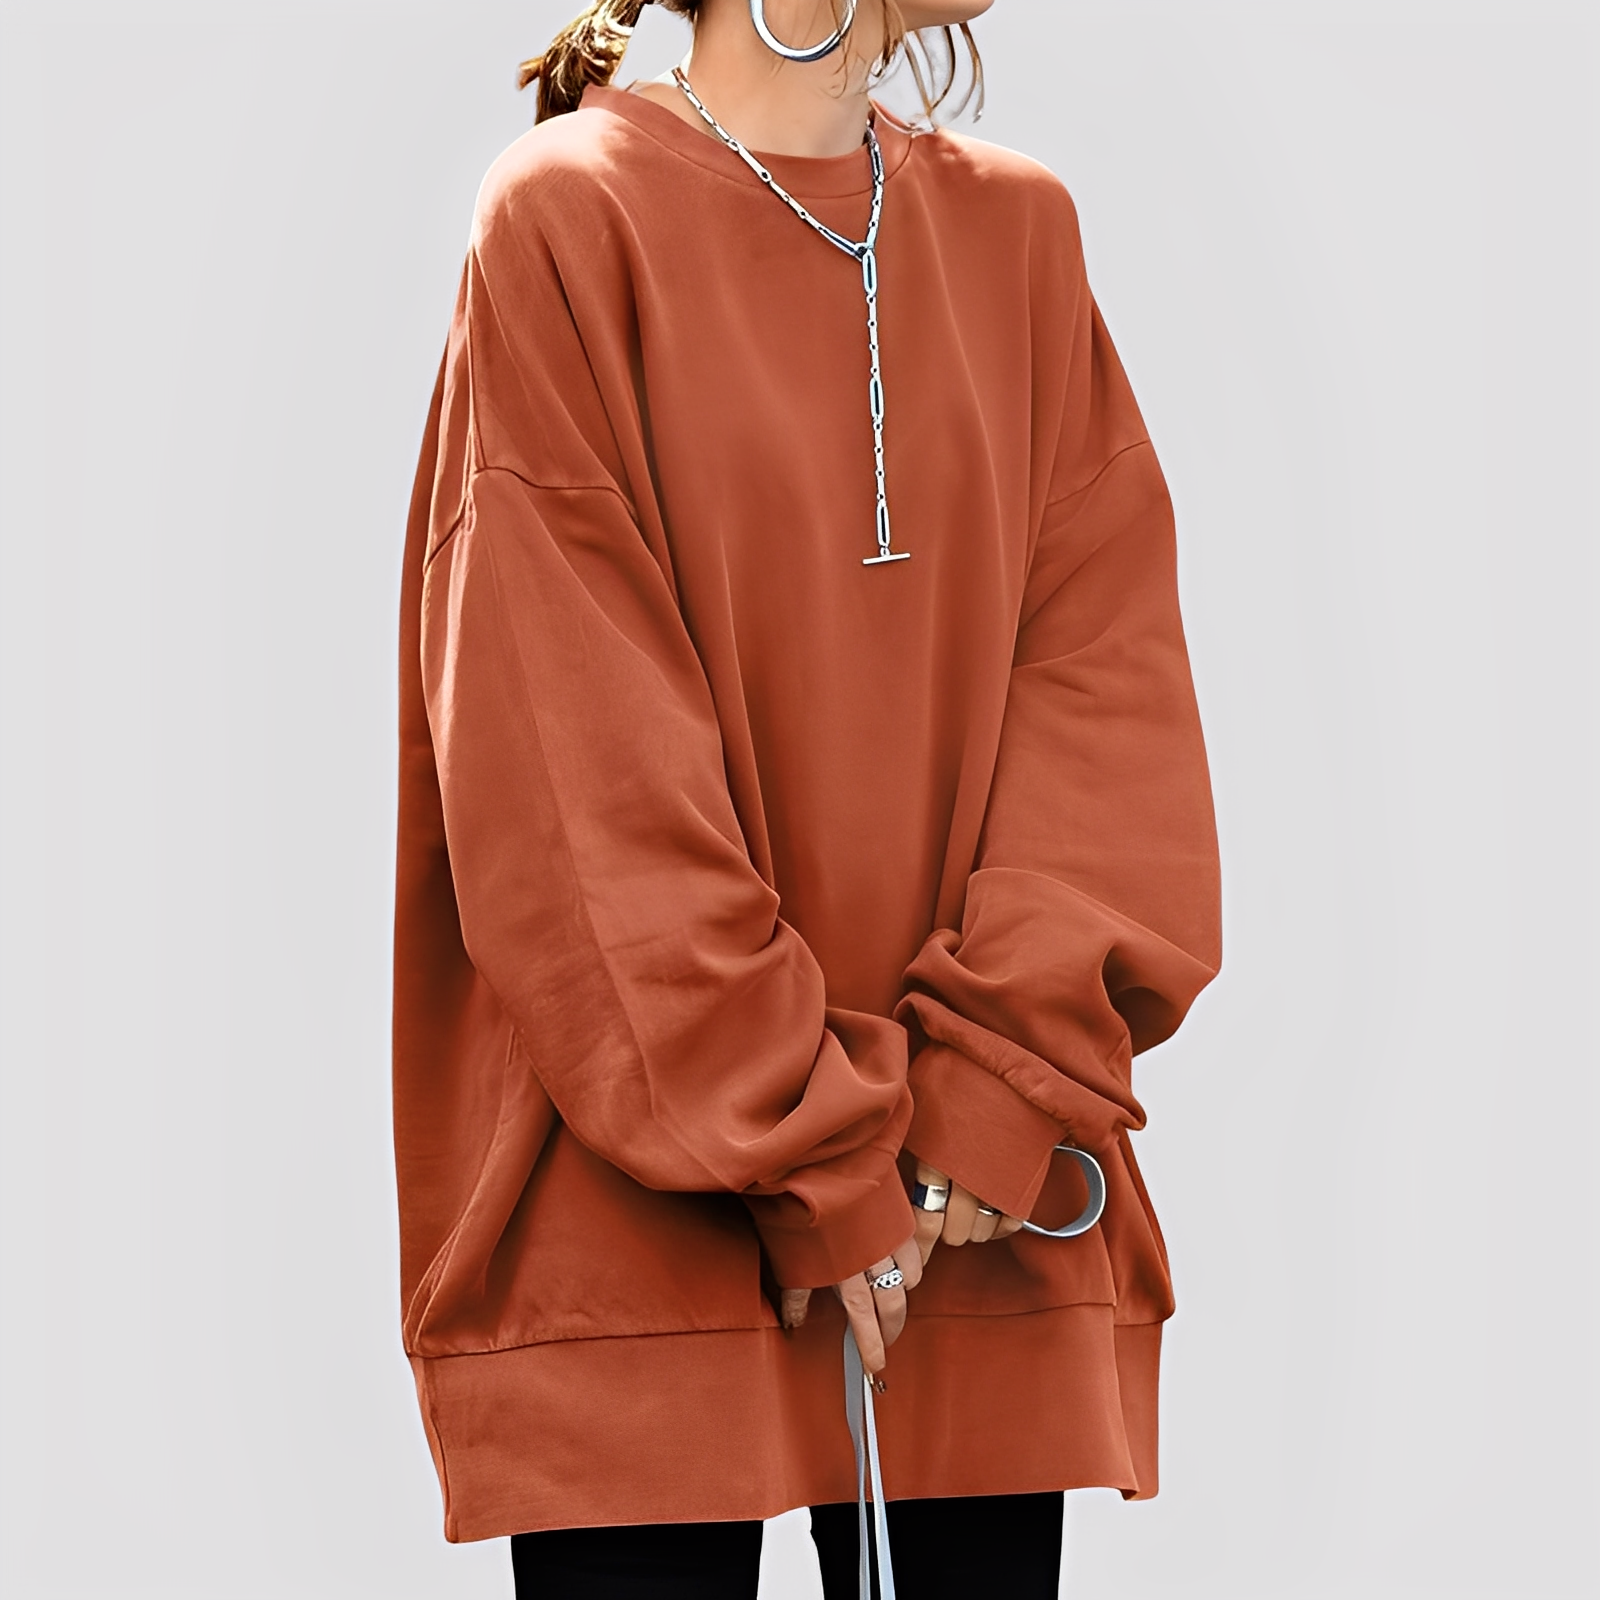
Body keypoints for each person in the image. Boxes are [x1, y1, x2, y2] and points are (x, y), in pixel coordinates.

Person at [392, 1, 1221, 1594]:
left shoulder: (1021, 232)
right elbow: (567, 777)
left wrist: (990, 1097)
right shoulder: (566, 217)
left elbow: (1109, 705)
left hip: (973, 1218)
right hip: (641, 1225)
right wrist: (817, 1156)